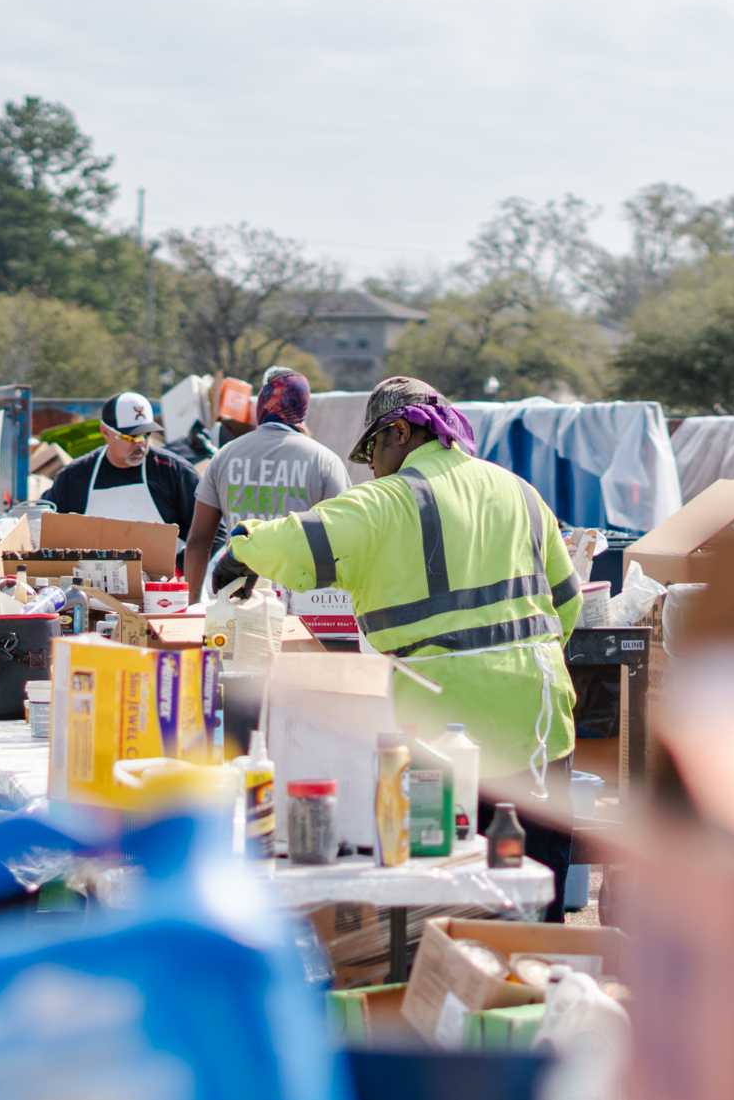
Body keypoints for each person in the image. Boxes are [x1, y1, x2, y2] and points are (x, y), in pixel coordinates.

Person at [230, 376, 583, 922]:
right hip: (541, 720)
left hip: (446, 726)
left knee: (448, 901)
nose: (371, 465)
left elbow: (289, 543)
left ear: (399, 432)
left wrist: (240, 547)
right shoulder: (520, 492)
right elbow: (568, 604)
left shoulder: (387, 501)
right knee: (539, 896)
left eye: (373, 449)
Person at [183, 367, 350, 597]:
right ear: (303, 408)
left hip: (233, 593)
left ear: (261, 403)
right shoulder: (325, 461)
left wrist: (191, 605)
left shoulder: (225, 456)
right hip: (301, 599)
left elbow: (199, 541)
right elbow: (343, 539)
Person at [43, 392, 199, 540]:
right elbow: (45, 525)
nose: (140, 443)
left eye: (145, 434)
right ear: (105, 432)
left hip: (169, 567)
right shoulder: (75, 477)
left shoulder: (175, 471)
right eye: (130, 436)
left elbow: (209, 532)